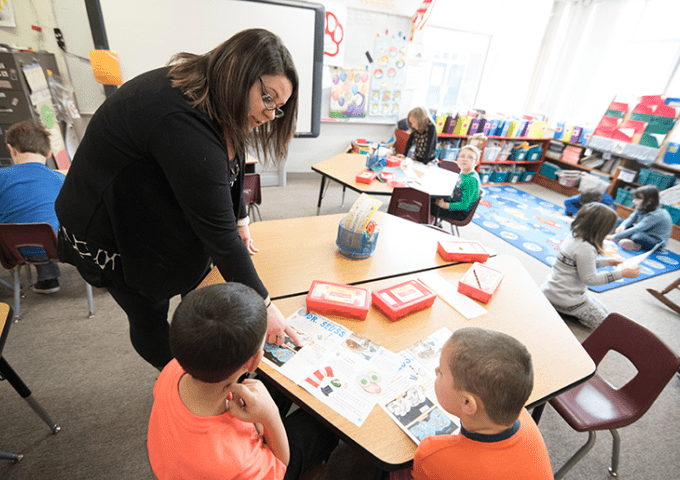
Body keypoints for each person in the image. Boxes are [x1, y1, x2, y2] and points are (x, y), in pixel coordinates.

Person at [55, 28, 301, 370]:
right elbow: (219, 236)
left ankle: (200, 364)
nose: (270, 114)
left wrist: (241, 218)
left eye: (280, 107)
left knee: (199, 287)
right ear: (239, 72)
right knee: (148, 312)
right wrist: (265, 305)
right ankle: (182, 383)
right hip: (106, 224)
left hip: (150, 205)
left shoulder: (222, 104)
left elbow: (230, 166)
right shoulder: (182, 119)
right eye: (269, 98)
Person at [147, 282, 338, 480]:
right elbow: (280, 466)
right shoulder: (238, 462)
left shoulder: (174, 367)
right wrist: (270, 416)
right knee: (324, 423)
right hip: (239, 465)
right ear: (255, 360)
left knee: (277, 383)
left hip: (185, 455)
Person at [412, 327, 553, 480]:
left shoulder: (432, 455)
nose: (436, 370)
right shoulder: (524, 417)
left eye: (442, 372)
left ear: (467, 403)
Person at [542, 203, 640, 329]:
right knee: (607, 324)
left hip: (553, 289)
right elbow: (590, 279)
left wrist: (607, 262)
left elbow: (580, 265)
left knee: (606, 311)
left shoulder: (574, 237)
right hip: (566, 298)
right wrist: (621, 274)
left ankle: (560, 307)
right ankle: (562, 309)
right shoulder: (586, 248)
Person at [0, 121, 65, 294]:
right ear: (49, 152)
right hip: (57, 248)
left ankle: (47, 279)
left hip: (13, 252)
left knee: (24, 221)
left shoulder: (1, 177)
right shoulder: (59, 178)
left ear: (11, 149)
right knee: (49, 222)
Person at [606, 185, 672, 251]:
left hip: (654, 239)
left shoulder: (657, 214)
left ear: (649, 201)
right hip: (642, 232)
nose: (633, 201)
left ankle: (637, 246)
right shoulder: (643, 206)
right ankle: (625, 237)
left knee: (637, 236)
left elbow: (637, 228)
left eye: (637, 199)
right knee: (619, 221)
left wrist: (614, 236)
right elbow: (631, 218)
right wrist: (623, 225)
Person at [432, 145, 482, 222]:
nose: (465, 159)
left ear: (476, 163)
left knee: (426, 205)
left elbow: (464, 205)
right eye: (462, 156)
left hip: (459, 212)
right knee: (429, 198)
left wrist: (444, 205)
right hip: (454, 201)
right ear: (457, 159)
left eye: (470, 157)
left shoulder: (472, 180)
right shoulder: (463, 172)